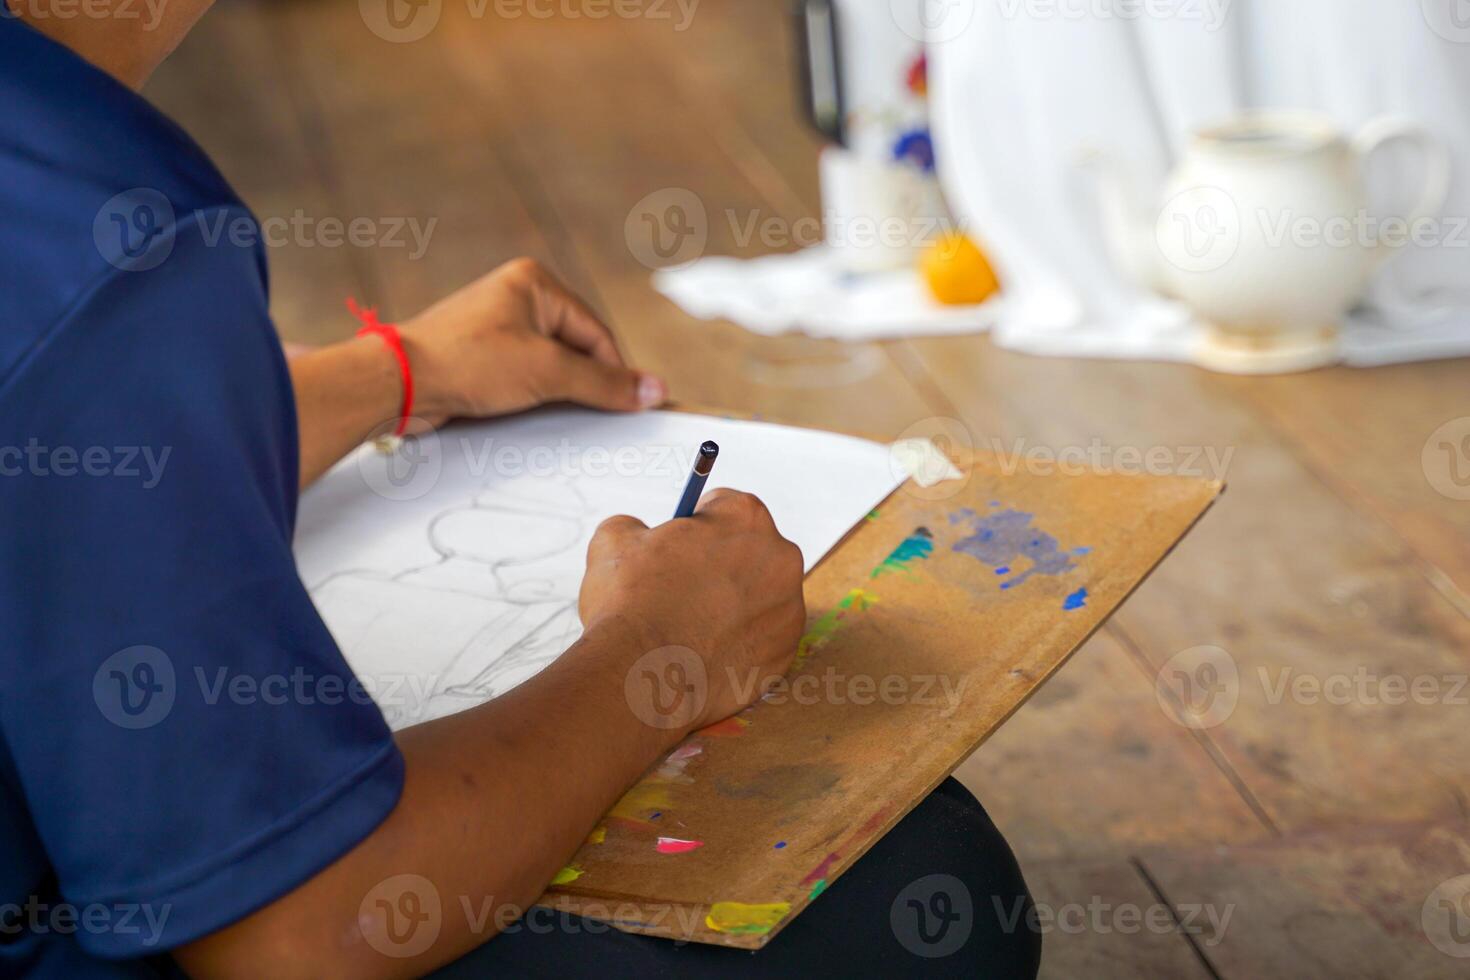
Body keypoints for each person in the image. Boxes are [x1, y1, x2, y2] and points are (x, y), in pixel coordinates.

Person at [0, 1, 1041, 976]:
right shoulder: (112, 223)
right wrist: (660, 657)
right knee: (922, 892)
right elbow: (300, 930)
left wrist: (390, 372)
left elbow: (58, 438)